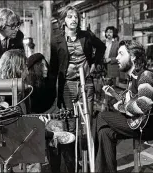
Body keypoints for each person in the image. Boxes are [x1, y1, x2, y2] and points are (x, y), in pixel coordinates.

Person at [93, 40, 153, 172]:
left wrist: (122, 107)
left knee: (102, 116)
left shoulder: (145, 76)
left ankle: (86, 147)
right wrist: (118, 100)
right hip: (140, 123)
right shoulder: (132, 78)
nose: (116, 58)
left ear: (133, 56)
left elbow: (143, 106)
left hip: (151, 127)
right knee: (105, 132)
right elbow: (131, 102)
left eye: (121, 54)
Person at [50, 5, 106, 173]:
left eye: (76, 17)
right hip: (67, 84)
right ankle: (73, 163)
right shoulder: (56, 39)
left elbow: (101, 47)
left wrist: (95, 63)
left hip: (85, 82)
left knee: (87, 122)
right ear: (63, 21)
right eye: (70, 17)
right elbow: (54, 66)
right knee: (70, 124)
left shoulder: (86, 36)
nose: (73, 19)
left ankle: (90, 163)